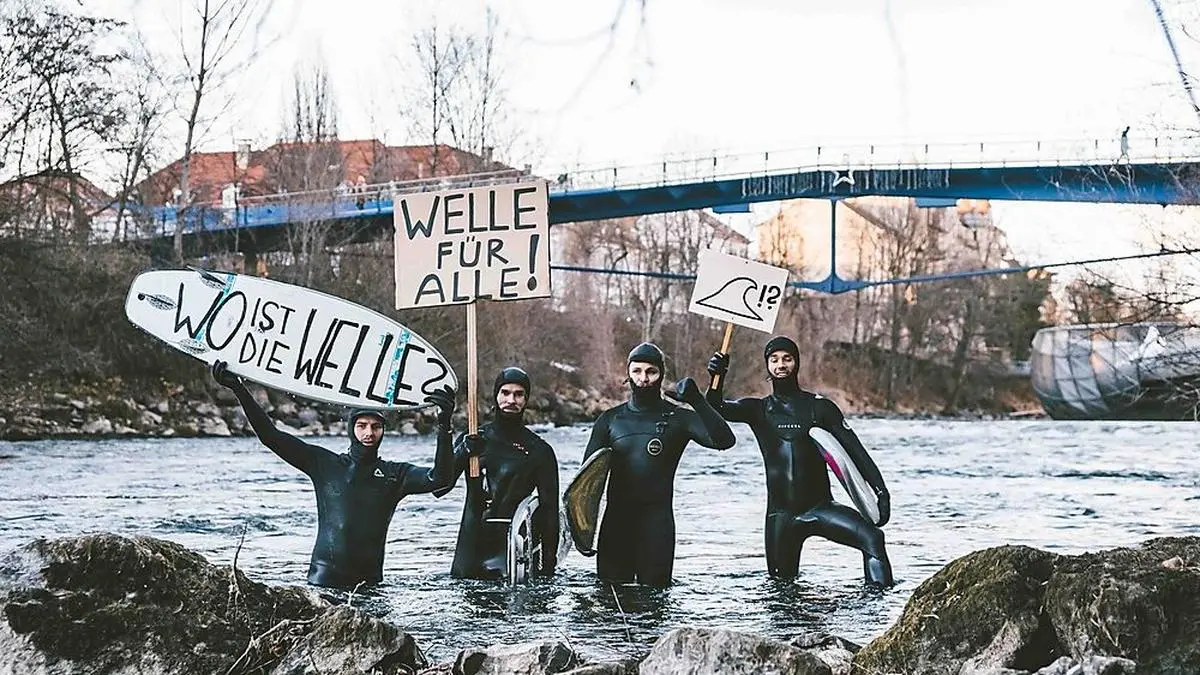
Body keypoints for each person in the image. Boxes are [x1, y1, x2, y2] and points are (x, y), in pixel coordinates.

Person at [210, 360, 457, 590]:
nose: (368, 432)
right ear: (351, 429)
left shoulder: (396, 474)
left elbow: (440, 479)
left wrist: (444, 424)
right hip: (323, 583)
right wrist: (239, 389)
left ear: (383, 430)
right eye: (362, 426)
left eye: (375, 426)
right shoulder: (324, 463)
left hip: (369, 587)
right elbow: (271, 437)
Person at [705, 336, 894, 586]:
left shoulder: (820, 409)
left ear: (797, 362)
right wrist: (717, 378)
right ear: (768, 366)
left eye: (787, 359)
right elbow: (716, 408)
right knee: (780, 589)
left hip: (820, 508)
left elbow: (856, 451)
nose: (781, 364)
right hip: (780, 516)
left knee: (873, 539)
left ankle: (879, 609)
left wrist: (881, 492)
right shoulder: (758, 410)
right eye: (774, 360)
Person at [583, 342, 736, 588]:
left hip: (657, 525)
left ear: (661, 375)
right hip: (616, 526)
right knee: (609, 602)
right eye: (637, 371)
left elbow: (725, 440)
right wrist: (583, 532)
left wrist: (698, 400)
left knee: (655, 604)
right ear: (628, 373)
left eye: (651, 372)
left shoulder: (679, 418)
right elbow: (587, 481)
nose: (643, 378)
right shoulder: (610, 420)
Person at [439, 367, 561, 580]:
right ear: (496, 396)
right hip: (471, 544)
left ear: (526, 399)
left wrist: (547, 568)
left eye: (518, 394)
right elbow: (440, 488)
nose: (511, 400)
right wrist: (460, 453)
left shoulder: (539, 450)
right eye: (505, 393)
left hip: (510, 548)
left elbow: (550, 512)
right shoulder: (473, 439)